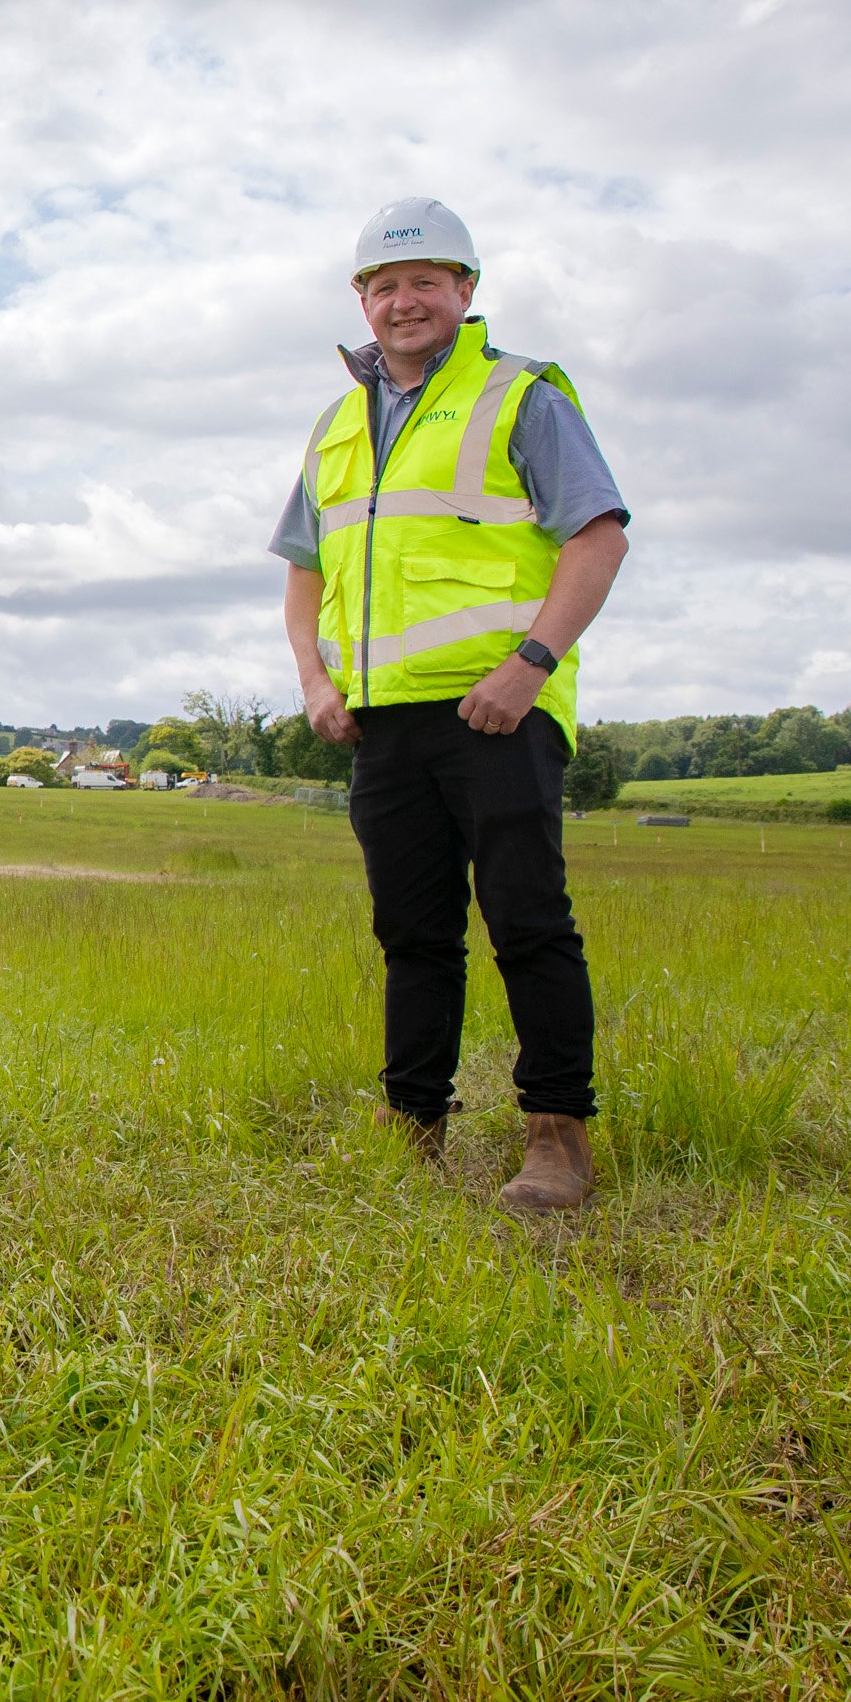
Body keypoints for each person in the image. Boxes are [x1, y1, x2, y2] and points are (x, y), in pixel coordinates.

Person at [272, 199, 630, 1211]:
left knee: (528, 922)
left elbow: (595, 537)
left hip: (496, 712)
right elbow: (304, 569)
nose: (402, 299)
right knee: (411, 932)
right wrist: (313, 676)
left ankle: (557, 1137)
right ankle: (411, 1122)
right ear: (360, 299)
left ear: (464, 290)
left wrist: (530, 663)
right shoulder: (338, 422)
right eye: (382, 284)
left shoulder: (521, 395)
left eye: (424, 279)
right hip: (381, 722)